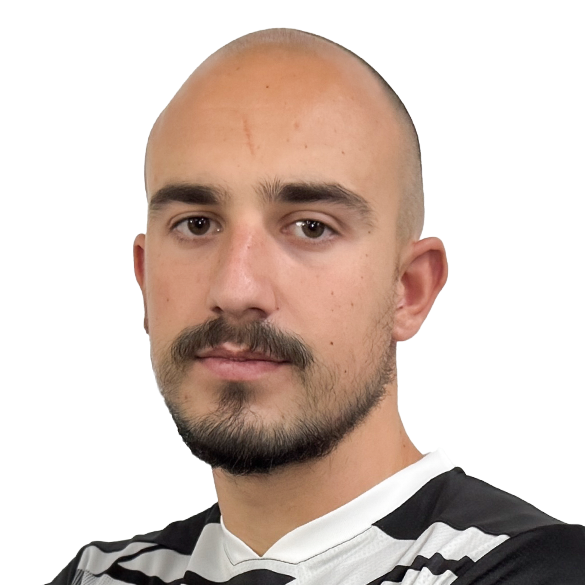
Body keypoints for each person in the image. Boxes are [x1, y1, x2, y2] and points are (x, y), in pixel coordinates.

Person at [50, 28, 584, 584]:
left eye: (310, 227)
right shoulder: (97, 575)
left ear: (408, 289)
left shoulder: (543, 570)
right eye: (197, 224)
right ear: (143, 277)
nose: (236, 289)